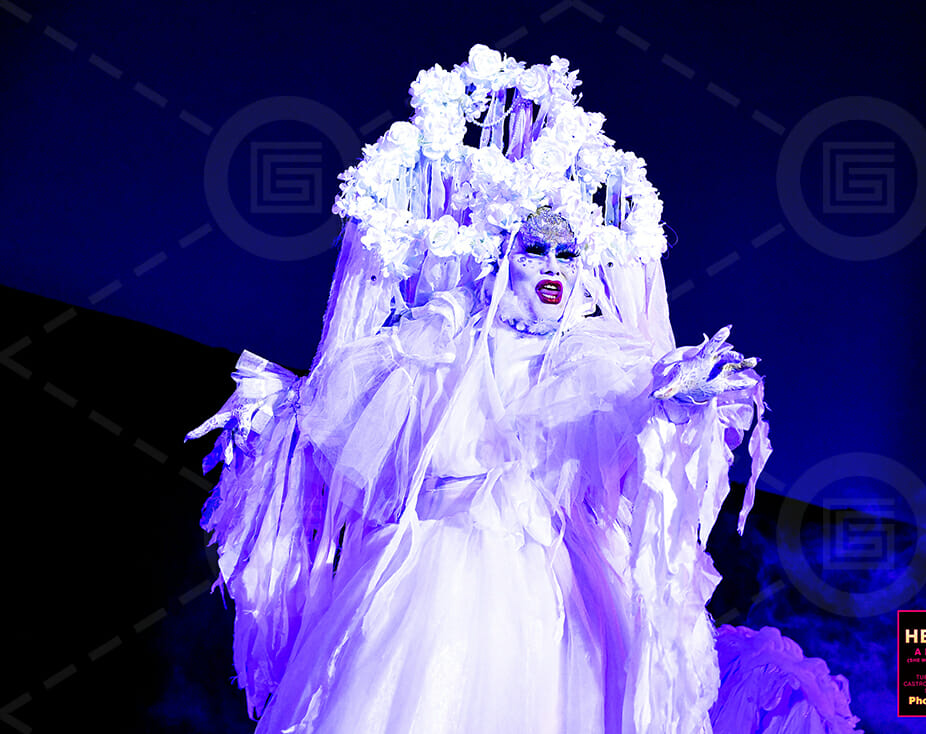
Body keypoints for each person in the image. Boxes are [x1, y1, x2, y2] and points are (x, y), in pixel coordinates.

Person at [188, 45, 859, 734]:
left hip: (553, 592)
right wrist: (280, 417)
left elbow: (635, 414)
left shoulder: (593, 361)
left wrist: (677, 401)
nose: (552, 268)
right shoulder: (440, 342)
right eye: (534, 251)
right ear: (501, 259)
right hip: (434, 574)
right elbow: (354, 431)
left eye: (567, 254)